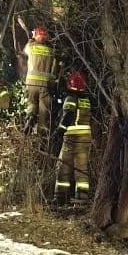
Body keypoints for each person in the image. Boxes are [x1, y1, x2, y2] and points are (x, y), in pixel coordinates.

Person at [54, 70, 93, 202]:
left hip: (71, 138)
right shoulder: (86, 100)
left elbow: (68, 116)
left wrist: (59, 131)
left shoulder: (70, 99)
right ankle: (82, 197)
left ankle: (60, 197)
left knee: (63, 166)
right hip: (85, 139)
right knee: (81, 168)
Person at [22, 28, 56, 129]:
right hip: (45, 85)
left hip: (31, 83)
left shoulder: (31, 47)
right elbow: (54, 69)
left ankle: (30, 117)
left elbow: (24, 51)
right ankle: (42, 130)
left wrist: (32, 39)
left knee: (32, 103)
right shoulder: (51, 51)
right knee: (44, 109)